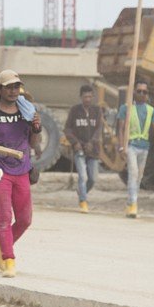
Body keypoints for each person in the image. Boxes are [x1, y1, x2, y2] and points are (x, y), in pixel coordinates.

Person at [0, 70, 39, 278]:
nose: (13, 91)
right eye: (9, 87)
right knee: (5, 217)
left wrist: (36, 128)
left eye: (16, 87)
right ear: (0, 89)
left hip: (22, 168)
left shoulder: (26, 112)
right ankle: (9, 259)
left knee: (25, 219)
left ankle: (1, 245)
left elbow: (33, 144)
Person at [116, 79, 154, 218]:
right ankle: (133, 204)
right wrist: (121, 146)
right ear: (134, 92)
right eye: (139, 91)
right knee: (133, 173)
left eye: (145, 92)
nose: (142, 94)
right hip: (131, 145)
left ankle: (130, 202)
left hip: (144, 147)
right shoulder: (125, 109)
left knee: (138, 177)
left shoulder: (151, 110)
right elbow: (120, 129)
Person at [65, 84, 104, 212]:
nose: (87, 99)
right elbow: (68, 129)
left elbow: (99, 129)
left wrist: (92, 142)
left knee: (92, 179)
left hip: (93, 150)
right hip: (79, 149)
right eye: (85, 97)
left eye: (89, 97)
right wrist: (75, 142)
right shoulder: (74, 110)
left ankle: (81, 191)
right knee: (83, 177)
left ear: (92, 97)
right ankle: (83, 202)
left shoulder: (97, 110)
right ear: (81, 97)